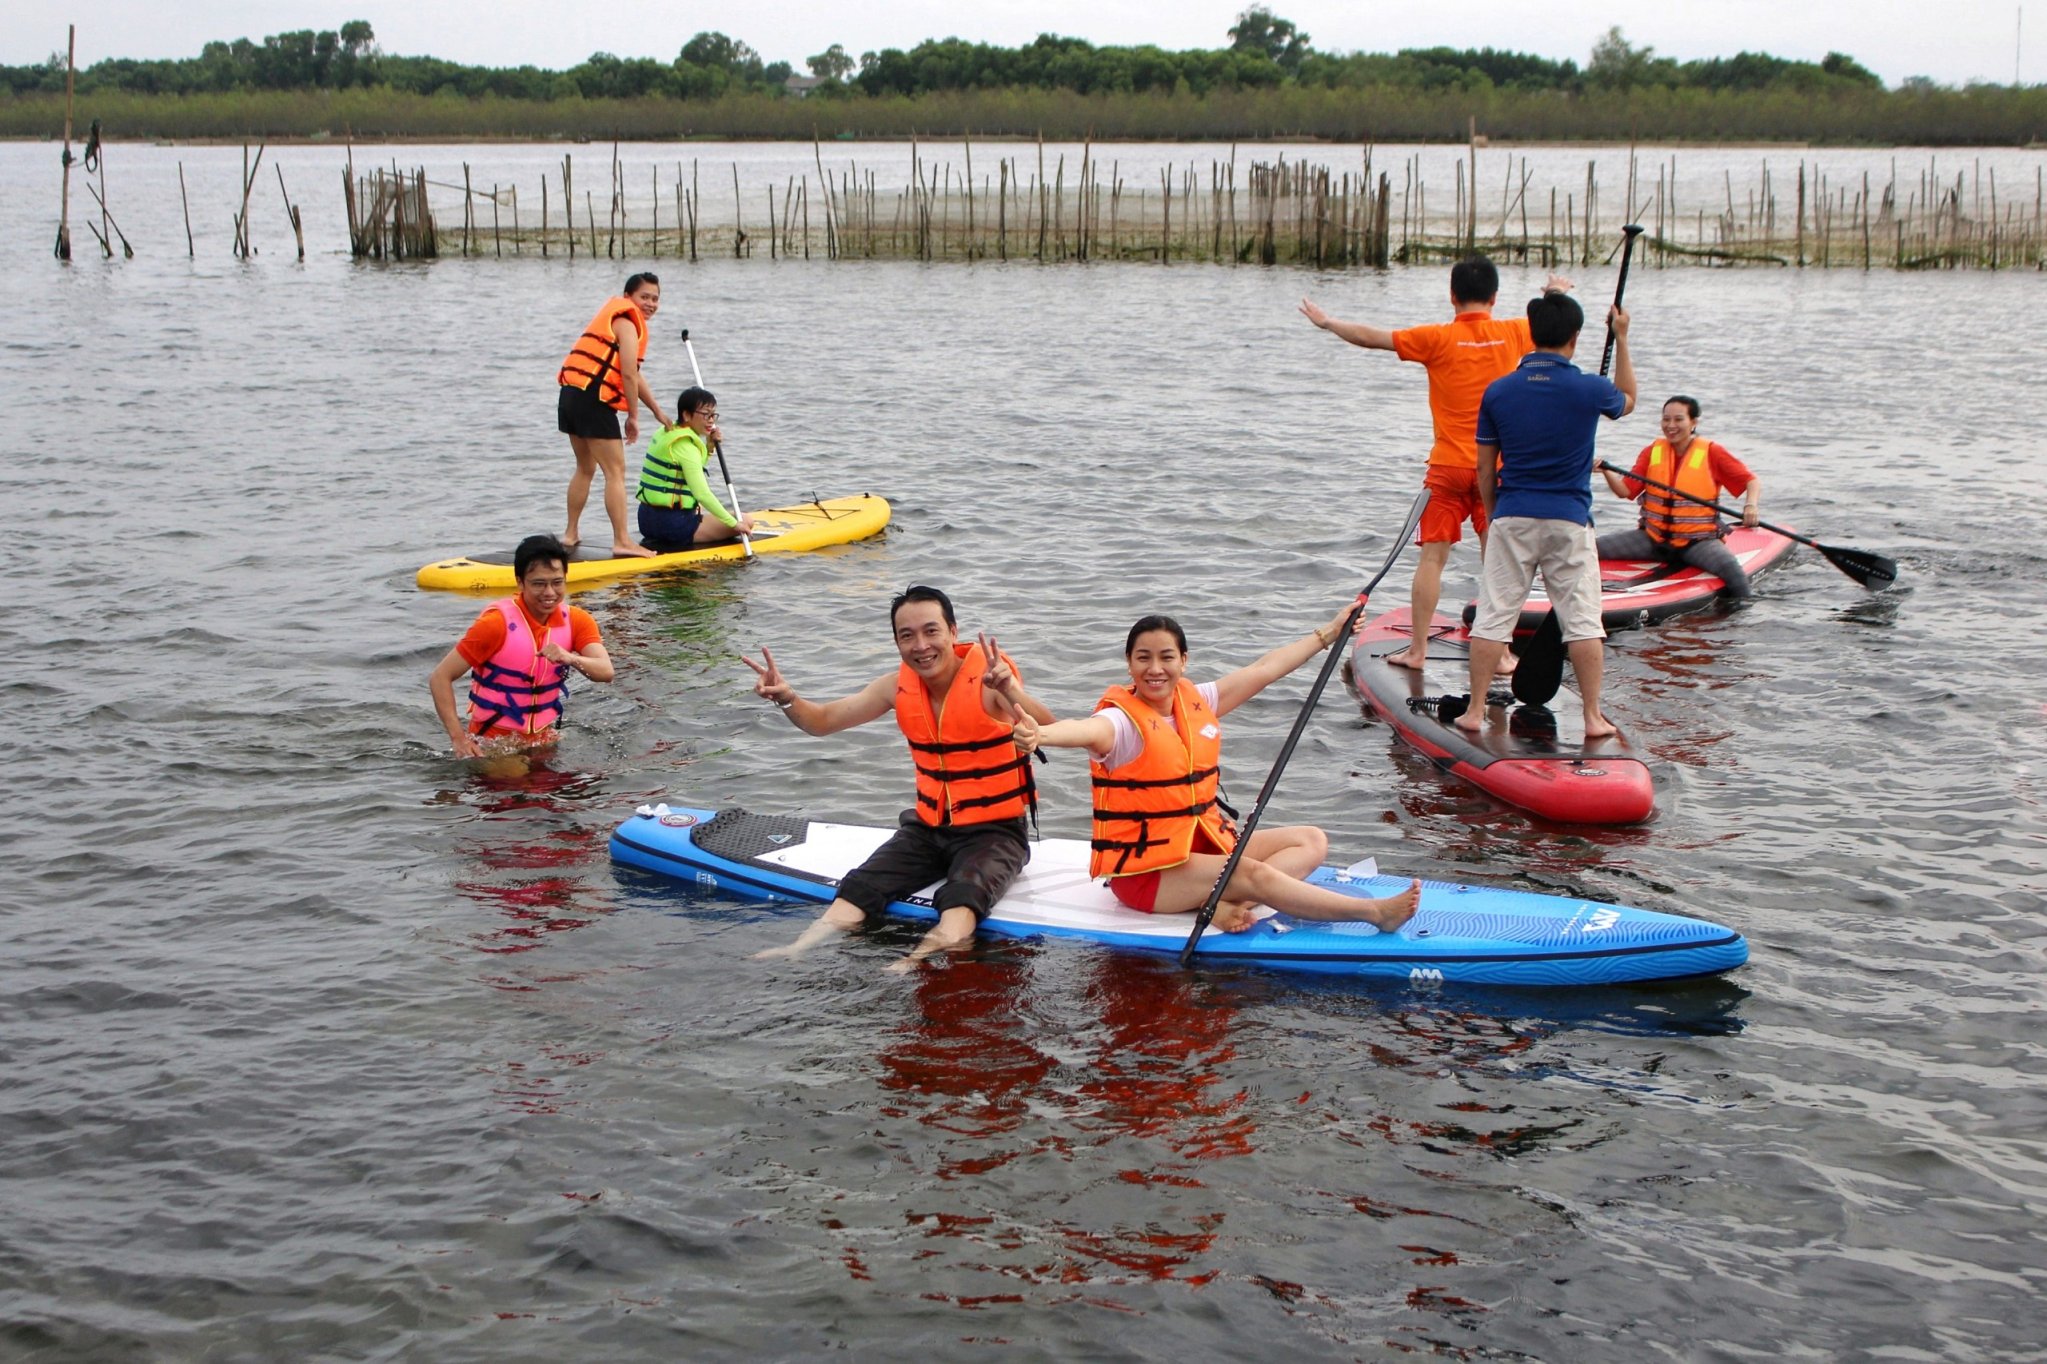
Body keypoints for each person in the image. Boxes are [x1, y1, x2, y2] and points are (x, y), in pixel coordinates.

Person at [1011, 610, 1420, 934]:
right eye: (1144, 658)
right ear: (1129, 664)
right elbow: (1082, 730)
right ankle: (1373, 913)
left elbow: (1264, 669)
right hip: (1146, 875)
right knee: (1249, 872)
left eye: (1167, 657)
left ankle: (1224, 903)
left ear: (1184, 661)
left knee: (1310, 839)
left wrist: (1329, 634)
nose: (1156, 668)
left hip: (1199, 847)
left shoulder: (1198, 700)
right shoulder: (1119, 723)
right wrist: (1040, 735)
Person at [742, 586, 1057, 970]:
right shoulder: (895, 687)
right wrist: (787, 696)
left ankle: (912, 962)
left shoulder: (991, 685)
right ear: (897, 643)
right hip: (927, 829)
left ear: (953, 632)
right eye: (907, 636)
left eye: (931, 631)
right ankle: (798, 949)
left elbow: (1049, 727)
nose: (921, 645)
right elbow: (822, 722)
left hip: (994, 832)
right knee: (858, 888)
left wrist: (1010, 690)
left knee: (962, 899)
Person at [1301, 258, 1573, 671]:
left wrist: (1328, 323)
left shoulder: (1436, 339)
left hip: (1447, 466)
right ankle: (1501, 654)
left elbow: (1375, 338)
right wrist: (1555, 291)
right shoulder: (1516, 331)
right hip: (1498, 469)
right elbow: (1554, 327)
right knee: (1500, 563)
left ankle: (1417, 652)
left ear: (1452, 296)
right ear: (1495, 298)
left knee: (1432, 559)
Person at [1457, 292, 1636, 741]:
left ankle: (1475, 711)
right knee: (1581, 620)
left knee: (1494, 615)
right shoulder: (1590, 389)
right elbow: (1628, 398)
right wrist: (1622, 337)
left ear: (1531, 334)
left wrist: (1495, 511)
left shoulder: (1498, 390)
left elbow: (1484, 467)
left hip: (1513, 514)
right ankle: (1593, 717)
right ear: (1575, 338)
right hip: (1569, 519)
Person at [429, 534, 614, 758]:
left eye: (557, 582)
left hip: (543, 739)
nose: (549, 593)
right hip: (496, 743)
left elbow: (605, 672)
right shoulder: (495, 624)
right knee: (521, 785)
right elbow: (440, 677)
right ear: (519, 582)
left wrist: (571, 658)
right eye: (539, 584)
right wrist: (458, 738)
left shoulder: (577, 621)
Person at [1597, 396, 1764, 599]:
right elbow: (1625, 491)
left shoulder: (1712, 452)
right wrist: (1606, 471)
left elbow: (1751, 481)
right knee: (1591, 547)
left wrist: (1750, 506)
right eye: (1666, 420)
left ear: (1693, 423)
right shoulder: (1652, 452)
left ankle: (1743, 610)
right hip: (1653, 540)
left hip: (1697, 543)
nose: (1671, 425)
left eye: (1678, 419)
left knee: (1730, 567)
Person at [557, 272, 674, 559]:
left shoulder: (617, 319)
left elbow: (633, 372)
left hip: (572, 394)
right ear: (628, 297)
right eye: (644, 297)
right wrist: (633, 417)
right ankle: (622, 540)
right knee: (616, 472)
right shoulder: (626, 322)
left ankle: (570, 533)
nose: (650, 303)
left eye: (655, 298)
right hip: (594, 400)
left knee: (585, 467)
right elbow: (628, 374)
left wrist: (656, 410)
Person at [636, 386, 756, 552]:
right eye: (706, 414)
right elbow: (702, 494)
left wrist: (709, 446)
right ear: (686, 415)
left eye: (713, 414)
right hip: (672, 526)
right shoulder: (687, 447)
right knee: (747, 519)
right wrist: (735, 524)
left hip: (645, 521)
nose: (711, 420)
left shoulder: (666, 431)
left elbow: (688, 467)